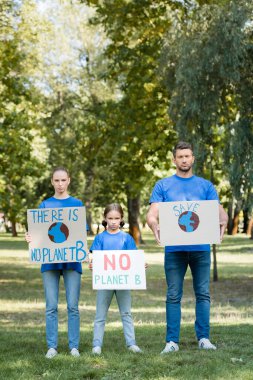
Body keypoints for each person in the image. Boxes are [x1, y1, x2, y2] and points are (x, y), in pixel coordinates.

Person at [146, 141, 228, 354]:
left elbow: (219, 212)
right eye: (180, 156)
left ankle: (204, 338)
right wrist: (154, 224)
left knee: (203, 293)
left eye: (187, 156)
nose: (184, 160)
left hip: (201, 249)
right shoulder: (163, 185)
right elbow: (152, 214)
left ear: (193, 158)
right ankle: (172, 341)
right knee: (173, 295)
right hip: (174, 250)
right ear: (174, 160)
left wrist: (224, 220)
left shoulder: (205, 186)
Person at [26, 167, 85, 359]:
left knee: (73, 306)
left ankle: (74, 346)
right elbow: (39, 233)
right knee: (51, 306)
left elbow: (80, 234)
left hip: (72, 262)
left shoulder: (77, 204)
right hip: (50, 263)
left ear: (69, 180)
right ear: (52, 182)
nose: (60, 184)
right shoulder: (45, 205)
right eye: (56, 180)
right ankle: (52, 346)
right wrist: (30, 238)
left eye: (63, 180)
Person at [89, 203, 142, 355]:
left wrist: (139, 265)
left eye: (116, 218)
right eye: (110, 218)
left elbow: (133, 259)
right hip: (104, 282)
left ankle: (131, 343)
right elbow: (95, 257)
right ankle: (96, 345)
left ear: (121, 219)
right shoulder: (99, 238)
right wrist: (93, 264)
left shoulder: (127, 238)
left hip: (123, 282)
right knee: (100, 315)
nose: (113, 221)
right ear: (105, 218)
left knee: (126, 313)